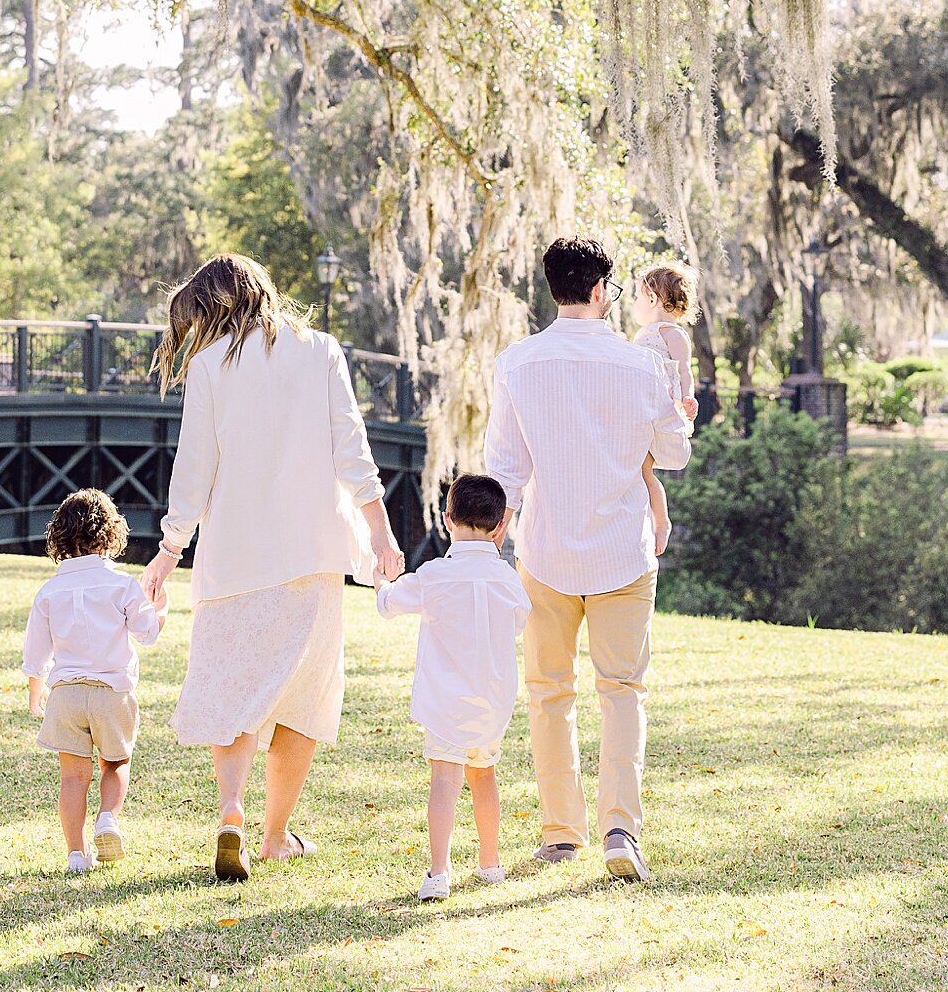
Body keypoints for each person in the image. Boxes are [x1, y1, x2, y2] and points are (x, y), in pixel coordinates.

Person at [139, 254, 404, 884]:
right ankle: (276, 834)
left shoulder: (207, 366)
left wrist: (169, 548)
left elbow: (194, 468)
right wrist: (382, 537)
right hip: (312, 554)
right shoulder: (321, 351)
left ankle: (231, 809)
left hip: (233, 557)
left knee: (234, 691)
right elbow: (352, 452)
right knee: (302, 701)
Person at [485, 234, 691, 884]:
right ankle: (620, 830)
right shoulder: (641, 365)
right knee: (622, 691)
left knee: (549, 693)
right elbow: (677, 456)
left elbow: (504, 467)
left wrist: (493, 535)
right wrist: (674, 421)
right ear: (603, 290)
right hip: (622, 554)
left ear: (553, 288)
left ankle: (561, 834)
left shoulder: (518, 362)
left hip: (545, 551)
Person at [375, 469, 529, 901]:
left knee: (445, 780)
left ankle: (438, 872)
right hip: (492, 700)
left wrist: (382, 579)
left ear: (447, 519)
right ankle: (490, 863)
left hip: (446, 701)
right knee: (484, 776)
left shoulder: (435, 575)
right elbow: (520, 621)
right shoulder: (507, 578)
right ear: (501, 526)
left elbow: (388, 605)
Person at [23, 487, 164, 874]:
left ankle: (75, 855)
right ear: (111, 534)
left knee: (72, 777)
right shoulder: (122, 586)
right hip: (111, 694)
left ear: (60, 536)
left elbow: (36, 653)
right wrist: (159, 610)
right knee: (116, 763)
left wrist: (37, 691)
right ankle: (107, 820)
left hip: (65, 695)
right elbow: (147, 633)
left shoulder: (49, 591)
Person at [634, 261, 699, 559]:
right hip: (639, 410)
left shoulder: (671, 333)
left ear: (653, 298)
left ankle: (661, 521)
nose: (635, 303)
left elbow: (685, 371)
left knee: (646, 472)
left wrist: (687, 396)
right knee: (640, 470)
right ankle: (646, 521)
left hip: (658, 411)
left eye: (637, 296)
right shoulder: (642, 334)